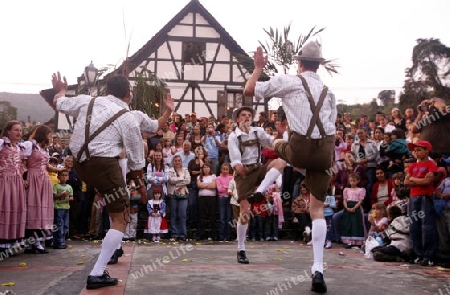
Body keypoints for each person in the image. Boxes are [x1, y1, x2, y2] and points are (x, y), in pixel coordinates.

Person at [51, 72, 173, 289]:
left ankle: (113, 244)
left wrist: (60, 90)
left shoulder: (87, 101)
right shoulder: (128, 118)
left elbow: (59, 102)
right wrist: (142, 187)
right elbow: (136, 160)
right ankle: (97, 272)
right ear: (129, 94)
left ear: (106, 91)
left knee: (112, 202)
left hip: (78, 163)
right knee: (121, 216)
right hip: (103, 165)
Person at [244, 41, 335, 292]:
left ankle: (263, 186)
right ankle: (318, 270)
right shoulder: (329, 91)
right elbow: (332, 125)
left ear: (300, 63)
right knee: (317, 210)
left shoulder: (290, 81)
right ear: (319, 65)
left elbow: (249, 90)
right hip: (324, 152)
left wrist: (258, 68)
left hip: (299, 148)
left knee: (278, 144)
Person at [227, 106, 286, 265]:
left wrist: (280, 133)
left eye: (249, 115)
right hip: (243, 174)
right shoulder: (233, 137)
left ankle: (260, 191)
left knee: (281, 161)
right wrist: (239, 167)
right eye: (243, 115)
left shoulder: (257, 131)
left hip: (258, 167)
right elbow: (236, 161)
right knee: (245, 212)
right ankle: (241, 249)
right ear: (238, 119)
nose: (247, 118)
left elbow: (273, 144)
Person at [23, 125, 63, 254]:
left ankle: (38, 242)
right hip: (33, 178)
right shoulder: (30, 145)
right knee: (33, 209)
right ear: (42, 134)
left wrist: (60, 169)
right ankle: (31, 243)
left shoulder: (44, 149)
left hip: (43, 179)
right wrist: (24, 177)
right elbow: (22, 162)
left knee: (42, 210)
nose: (50, 137)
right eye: (49, 135)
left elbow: (47, 166)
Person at [404, 140, 438, 266]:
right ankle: (418, 254)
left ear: (426, 151)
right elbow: (406, 183)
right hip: (414, 197)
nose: (416, 152)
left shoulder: (431, 164)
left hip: (425, 197)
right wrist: (418, 180)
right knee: (414, 227)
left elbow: (427, 182)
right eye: (415, 150)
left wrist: (413, 179)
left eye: (419, 150)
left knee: (427, 227)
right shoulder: (412, 166)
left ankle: (429, 256)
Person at [0, 121, 27, 256]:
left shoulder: (20, 147)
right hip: (4, 180)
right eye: (16, 130)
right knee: (4, 208)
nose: (19, 133)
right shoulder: (2, 143)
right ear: (8, 131)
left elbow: (21, 165)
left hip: (16, 181)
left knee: (14, 208)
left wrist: (22, 177)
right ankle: (2, 240)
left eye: (20, 131)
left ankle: (11, 239)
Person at [167, 155, 191, 241]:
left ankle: (182, 234)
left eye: (179, 160)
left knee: (183, 214)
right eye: (176, 160)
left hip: (183, 194)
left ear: (181, 162)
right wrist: (182, 180)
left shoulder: (185, 170)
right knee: (173, 214)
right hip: (173, 194)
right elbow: (170, 180)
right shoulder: (170, 170)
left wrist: (177, 183)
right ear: (173, 162)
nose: (177, 162)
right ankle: (174, 234)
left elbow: (188, 180)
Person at [340, 173, 367, 249]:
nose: (352, 182)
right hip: (348, 207)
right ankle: (348, 241)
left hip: (356, 207)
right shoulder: (346, 189)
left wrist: (354, 207)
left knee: (356, 223)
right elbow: (344, 200)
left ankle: (357, 242)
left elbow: (360, 201)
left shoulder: (361, 190)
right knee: (348, 223)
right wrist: (346, 207)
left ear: (358, 181)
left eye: (354, 181)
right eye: (351, 181)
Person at [52, 169, 73, 249]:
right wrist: (62, 195)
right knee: (59, 225)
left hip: (66, 208)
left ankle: (62, 241)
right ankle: (58, 242)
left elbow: (71, 197)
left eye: (66, 175)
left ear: (68, 177)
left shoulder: (69, 187)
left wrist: (70, 198)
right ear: (58, 177)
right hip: (58, 208)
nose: (64, 177)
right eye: (62, 175)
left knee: (65, 225)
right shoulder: (56, 186)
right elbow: (53, 196)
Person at [216, 163, 233, 241]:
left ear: (229, 170)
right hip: (222, 198)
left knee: (229, 217)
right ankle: (221, 236)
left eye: (227, 169)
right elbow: (220, 189)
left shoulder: (231, 178)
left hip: (229, 198)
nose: (225, 171)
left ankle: (228, 235)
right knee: (222, 218)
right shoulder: (218, 178)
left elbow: (232, 188)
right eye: (224, 169)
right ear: (221, 170)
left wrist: (225, 187)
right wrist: (227, 188)